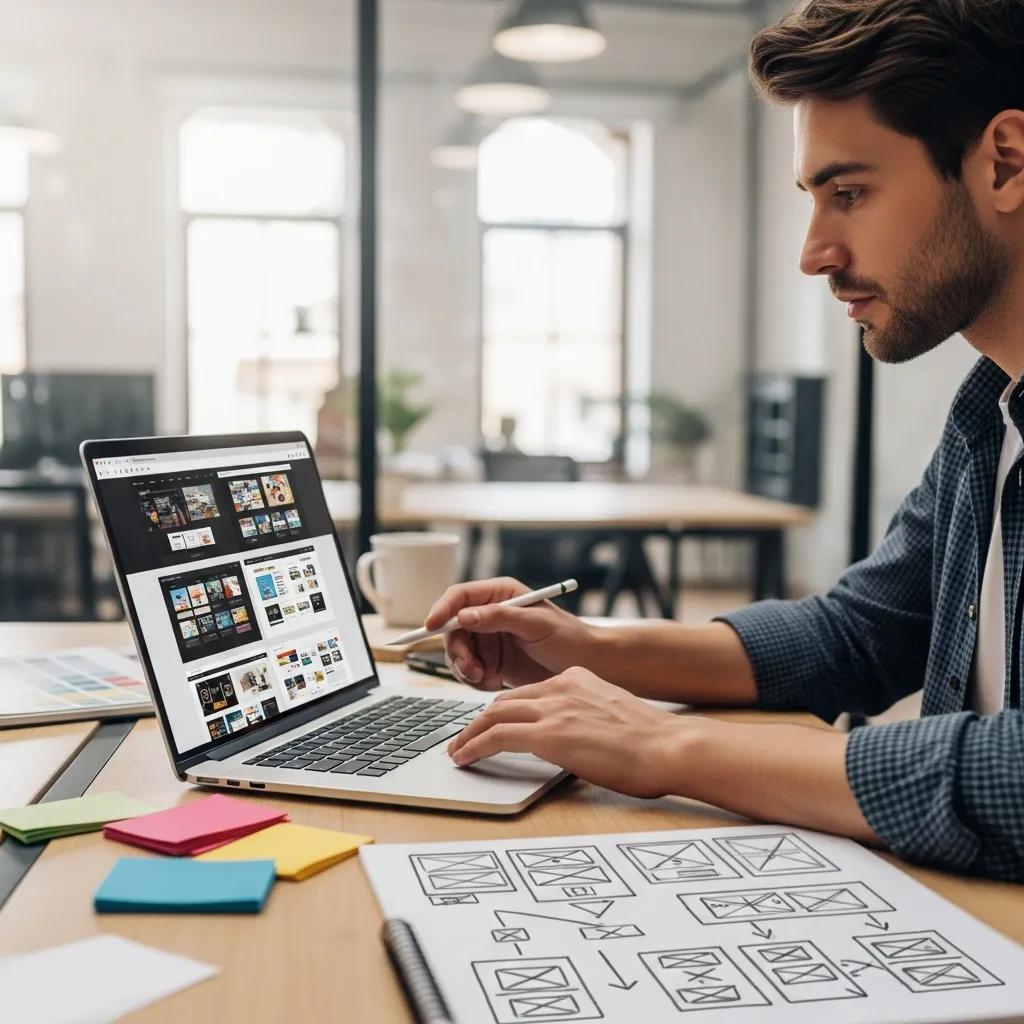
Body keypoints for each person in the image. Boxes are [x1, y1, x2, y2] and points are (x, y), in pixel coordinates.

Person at [431, 0, 1024, 883]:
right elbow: (857, 634)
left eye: (850, 193)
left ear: (1004, 162)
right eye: (814, 199)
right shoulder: (990, 413)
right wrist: (594, 649)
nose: (815, 252)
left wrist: (670, 747)